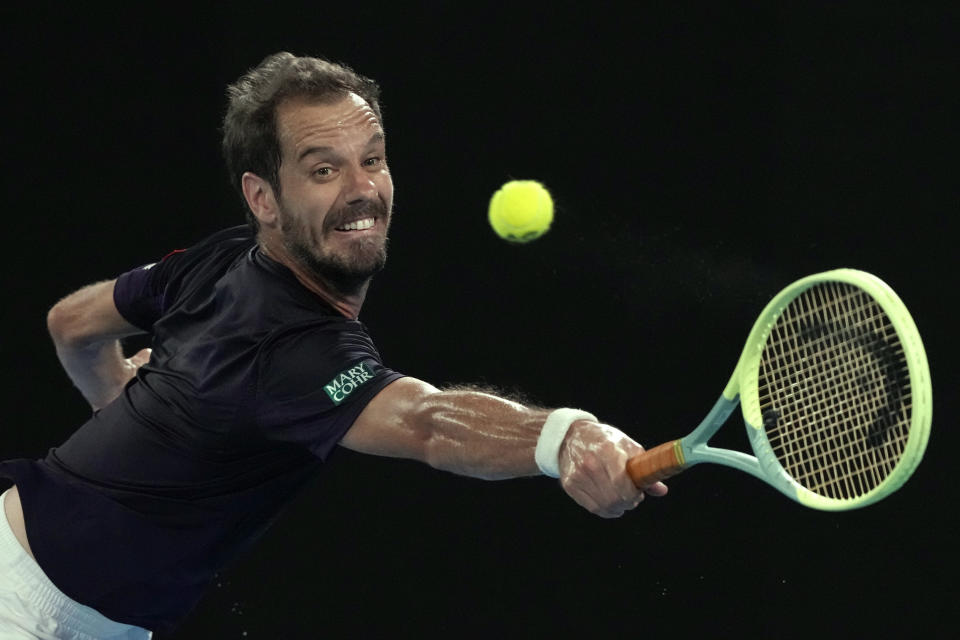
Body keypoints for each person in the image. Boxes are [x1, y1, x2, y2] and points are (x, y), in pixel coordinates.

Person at [0, 52, 667, 638]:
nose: (362, 192)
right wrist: (568, 438)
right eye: (325, 171)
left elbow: (71, 324)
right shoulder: (294, 347)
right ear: (263, 197)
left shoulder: (222, 258)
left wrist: (114, 395)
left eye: (372, 160)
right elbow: (428, 423)